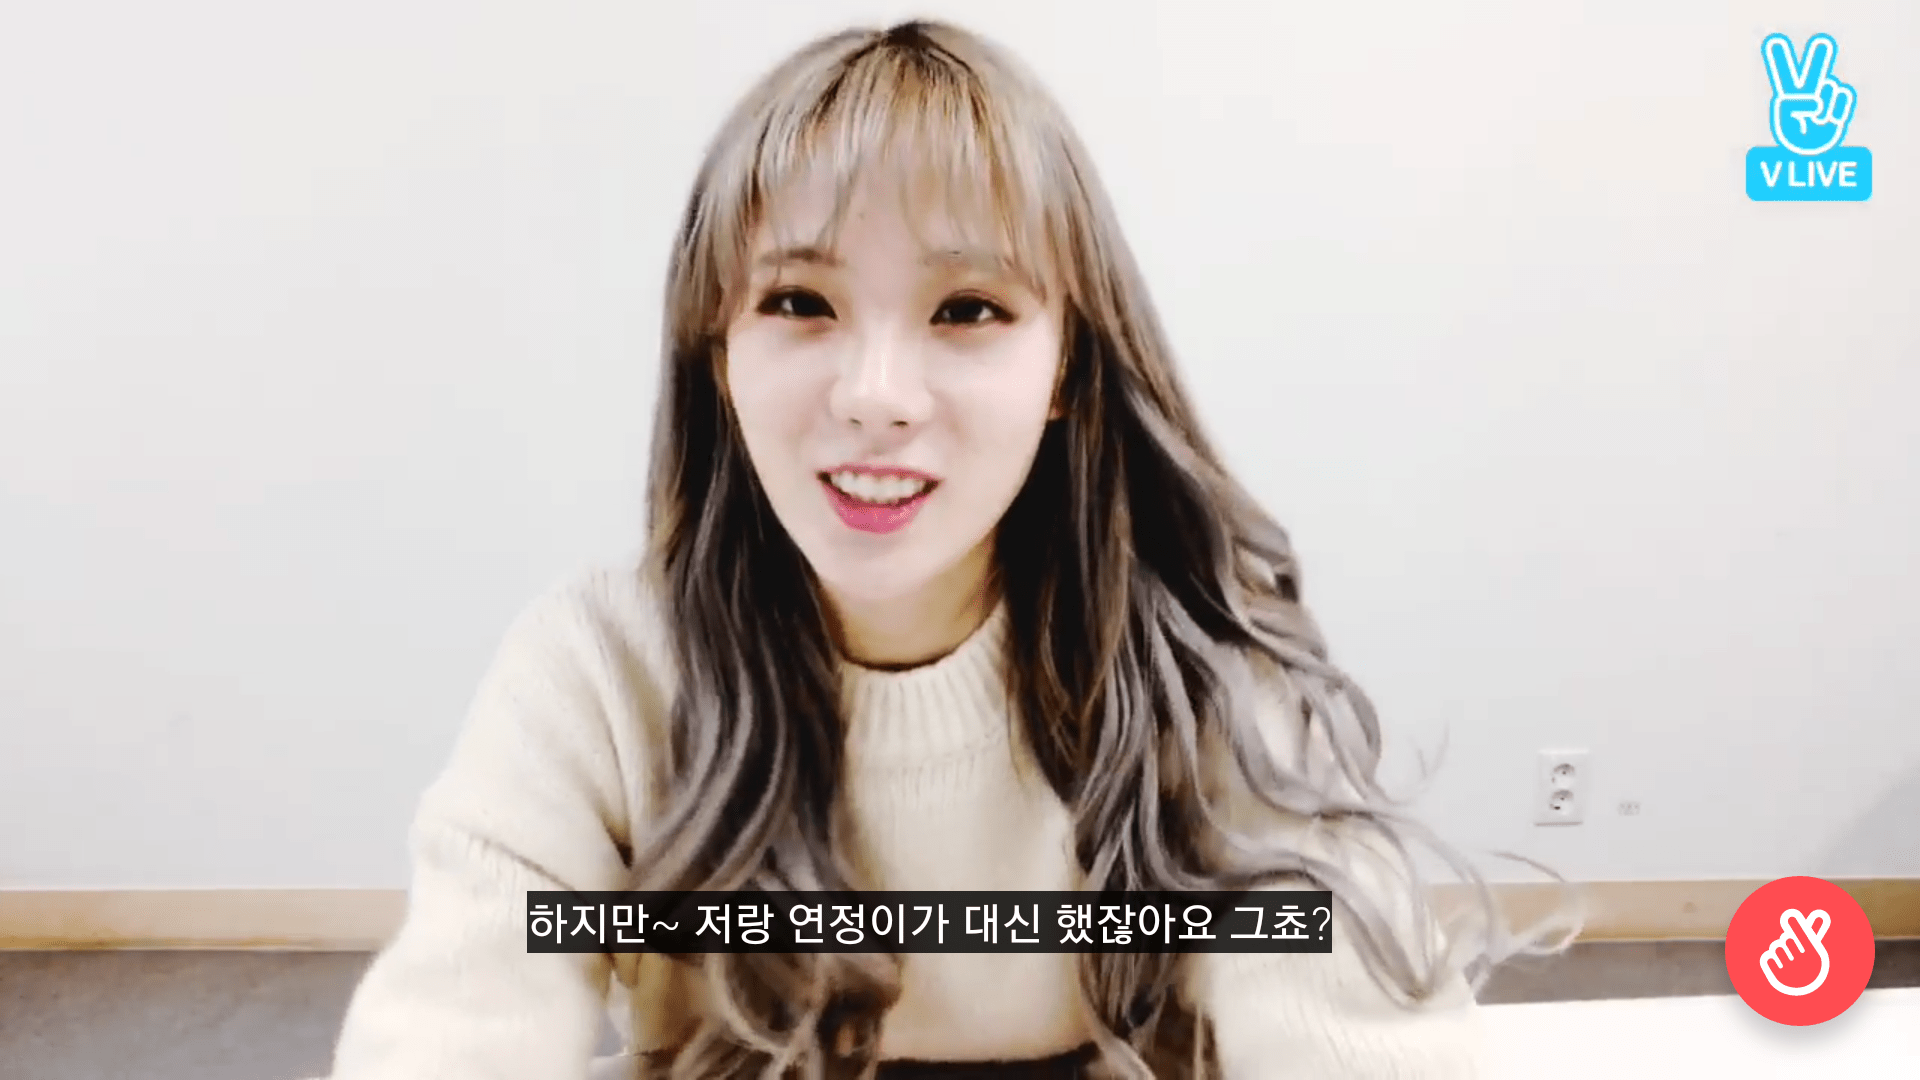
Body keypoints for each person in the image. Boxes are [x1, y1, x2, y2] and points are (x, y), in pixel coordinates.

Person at [312, 18, 1571, 1080]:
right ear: (718, 349)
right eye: (799, 302)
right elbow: (466, 1008)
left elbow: (1349, 1028)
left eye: (967, 309)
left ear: (1067, 366)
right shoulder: (596, 675)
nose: (876, 395)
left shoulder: (1201, 670)